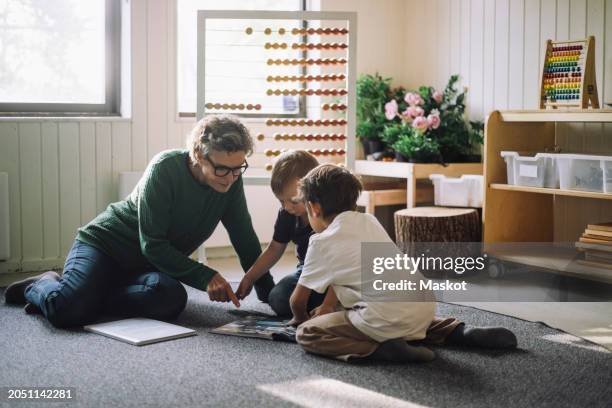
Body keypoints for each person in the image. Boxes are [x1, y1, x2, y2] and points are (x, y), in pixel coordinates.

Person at [4, 115, 274, 328]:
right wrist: (206, 276)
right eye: (222, 169)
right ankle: (42, 284)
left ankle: (90, 293)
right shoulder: (165, 168)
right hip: (104, 246)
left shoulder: (231, 182)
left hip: (146, 265)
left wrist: (267, 292)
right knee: (67, 312)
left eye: (238, 168)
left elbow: (244, 237)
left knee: (171, 299)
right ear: (199, 155)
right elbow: (154, 245)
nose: (230, 177)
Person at [290, 164, 517, 363]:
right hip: (424, 307)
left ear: (314, 208)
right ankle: (459, 332)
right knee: (402, 313)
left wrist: (300, 321)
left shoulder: (321, 242)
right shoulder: (370, 221)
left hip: (384, 318)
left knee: (309, 334)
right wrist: (329, 307)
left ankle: (381, 349)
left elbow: (297, 301)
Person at [235, 150, 325, 317]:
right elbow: (274, 249)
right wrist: (249, 277)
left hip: (335, 272)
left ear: (314, 189)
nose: (287, 207)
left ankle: (330, 306)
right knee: (278, 298)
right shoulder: (287, 214)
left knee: (365, 293)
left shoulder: (328, 214)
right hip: (307, 271)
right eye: (281, 201)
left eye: (293, 201)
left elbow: (339, 266)